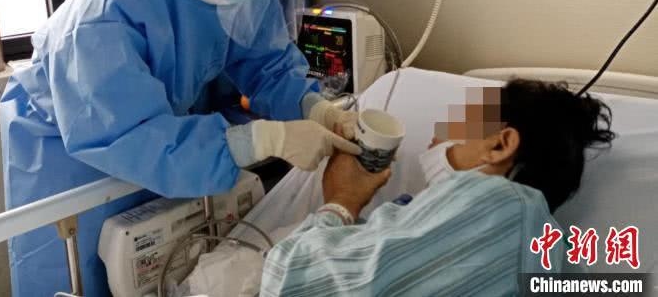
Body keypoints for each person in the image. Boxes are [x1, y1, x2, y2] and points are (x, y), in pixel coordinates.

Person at [0, 0, 360, 297]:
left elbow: (267, 63)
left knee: (151, 271)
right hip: (71, 155)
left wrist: (315, 108)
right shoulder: (107, 11)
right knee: (80, 279)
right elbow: (124, 133)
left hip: (160, 143)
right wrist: (265, 138)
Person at [260, 79, 616, 296]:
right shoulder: (552, 253)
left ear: (500, 145)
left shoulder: (503, 205)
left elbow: (291, 280)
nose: (435, 136)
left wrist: (341, 203)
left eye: (460, 123)